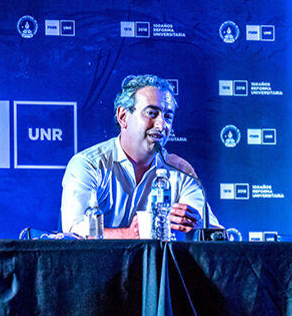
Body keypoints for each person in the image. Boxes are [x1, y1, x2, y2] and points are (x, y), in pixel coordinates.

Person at [61, 74, 204, 239]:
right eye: (151, 113)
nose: (161, 125)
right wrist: (127, 234)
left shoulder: (181, 171)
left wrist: (197, 224)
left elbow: (213, 231)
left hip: (157, 265)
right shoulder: (89, 164)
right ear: (123, 116)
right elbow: (73, 228)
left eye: (168, 117)